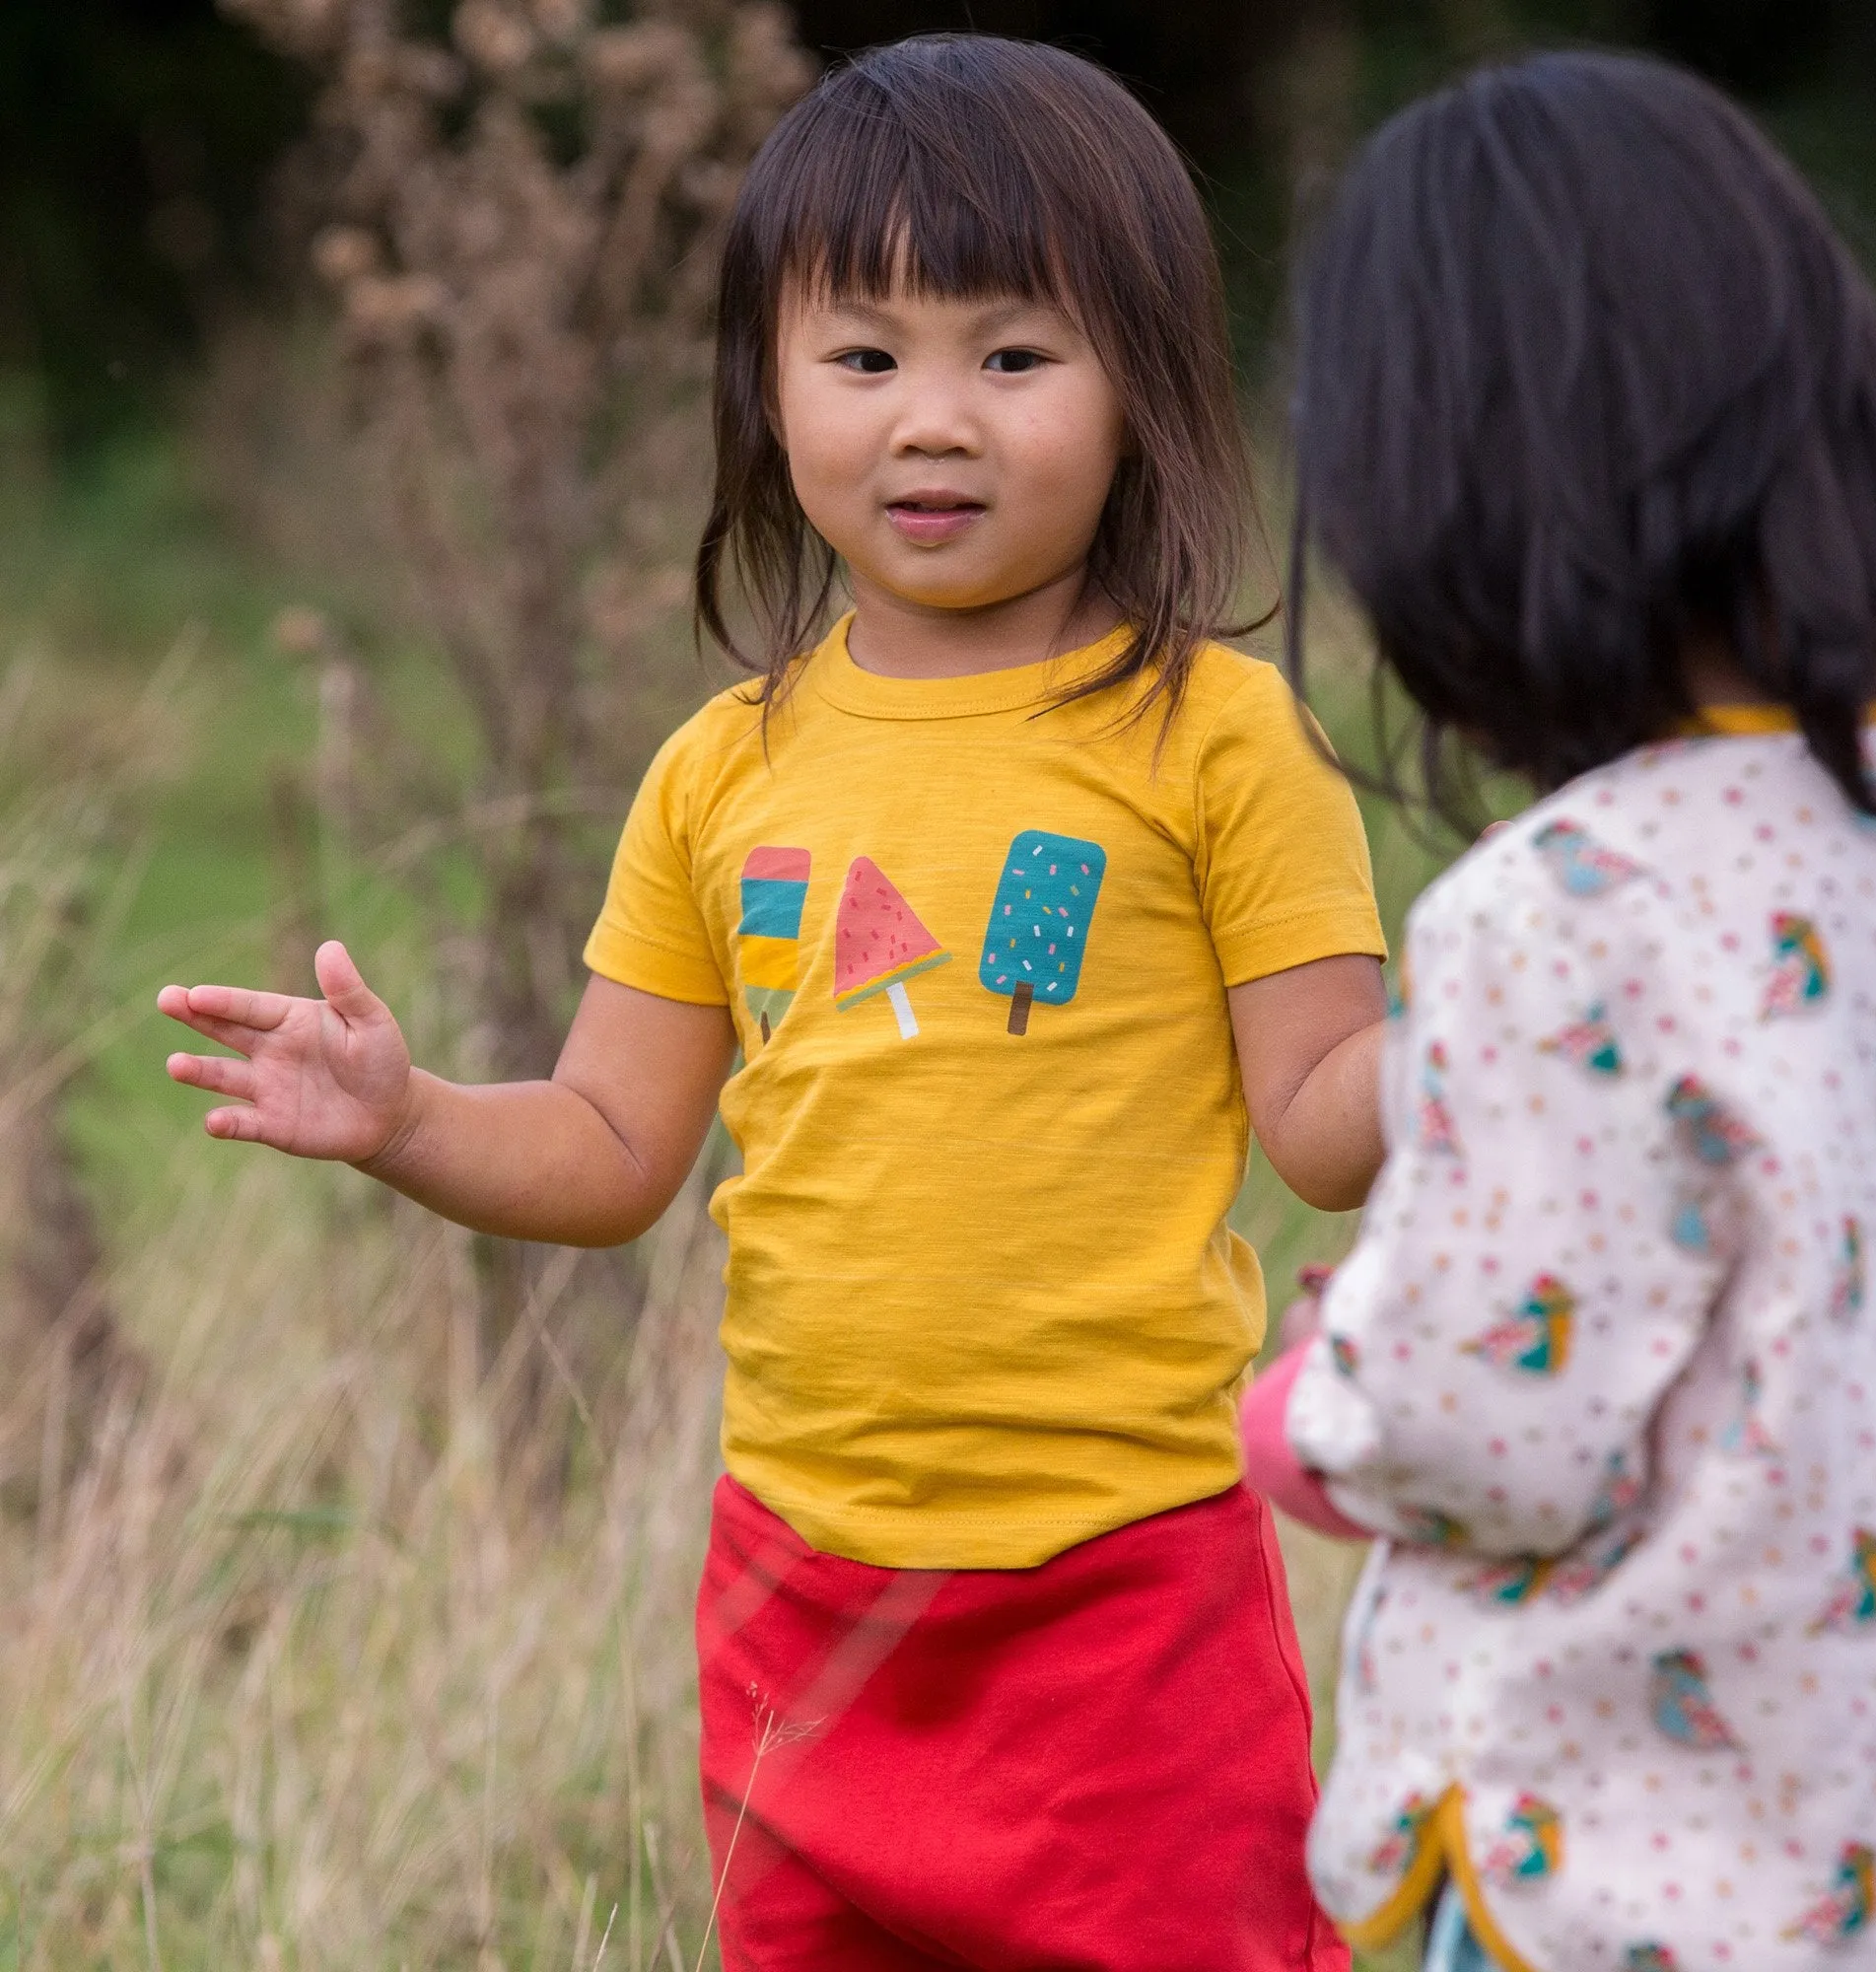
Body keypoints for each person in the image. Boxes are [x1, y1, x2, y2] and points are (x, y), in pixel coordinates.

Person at [160, 35, 1389, 1971]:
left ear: (1144, 388)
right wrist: (407, 1121)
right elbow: (607, 1144)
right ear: (768, 385)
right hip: (797, 1591)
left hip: (1122, 1595)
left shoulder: (1217, 739)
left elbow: (1320, 1109)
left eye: (1013, 355)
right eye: (865, 353)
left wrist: (1495, 1035)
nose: (933, 421)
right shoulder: (721, 771)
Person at [1242, 47, 1876, 1972]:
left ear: (1460, 505)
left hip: (1635, 1876)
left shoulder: (1562, 910)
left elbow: (1478, 1426)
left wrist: (1321, 1392)